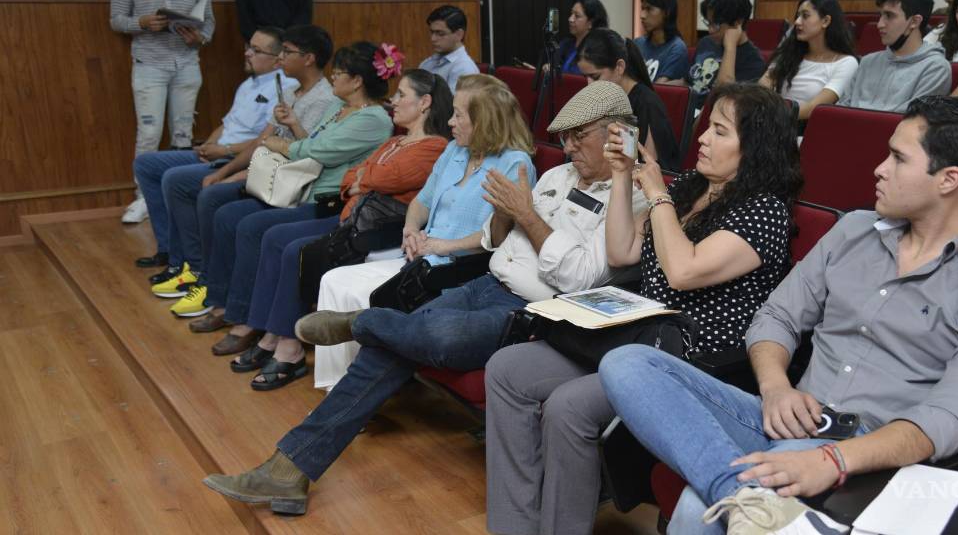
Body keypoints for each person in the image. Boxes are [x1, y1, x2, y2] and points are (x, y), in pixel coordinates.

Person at [201, 81, 648, 514]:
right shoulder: (556, 175)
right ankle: (288, 469)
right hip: (486, 283)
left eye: (578, 136)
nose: (568, 147)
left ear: (616, 135)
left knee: (436, 338)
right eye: (564, 137)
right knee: (387, 349)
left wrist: (526, 214)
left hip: (536, 313)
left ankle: (362, 322)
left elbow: (579, 276)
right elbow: (496, 242)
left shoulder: (633, 199)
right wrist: (503, 214)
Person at [600, 95, 958, 535]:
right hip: (790, 414)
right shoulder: (853, 231)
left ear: (949, 180)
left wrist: (832, 459)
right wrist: (775, 388)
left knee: (696, 508)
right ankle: (746, 499)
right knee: (627, 363)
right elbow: (777, 317)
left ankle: (739, 498)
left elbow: (947, 418)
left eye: (899, 158)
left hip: (872, 450)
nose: (879, 168)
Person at [485, 82, 802, 535]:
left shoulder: (763, 212)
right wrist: (621, 175)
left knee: (567, 406)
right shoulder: (691, 187)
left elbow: (682, 271)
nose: (702, 139)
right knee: (506, 369)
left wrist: (656, 193)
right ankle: (514, 526)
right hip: (635, 330)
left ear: (754, 147)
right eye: (707, 127)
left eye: (719, 131)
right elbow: (622, 251)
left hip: (690, 356)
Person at [225, 70, 454, 390]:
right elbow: (351, 178)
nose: (394, 101)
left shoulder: (435, 147)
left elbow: (386, 178)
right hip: (351, 220)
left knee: (295, 250)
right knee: (275, 237)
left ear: (425, 102)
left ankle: (287, 346)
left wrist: (366, 179)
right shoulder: (394, 141)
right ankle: (270, 333)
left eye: (402, 95)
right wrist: (363, 180)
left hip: (378, 230)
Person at [309, 74, 536, 387]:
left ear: (484, 121)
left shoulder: (515, 164)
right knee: (334, 280)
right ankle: (333, 385)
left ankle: (351, 386)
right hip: (421, 258)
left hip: (459, 269)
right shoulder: (456, 150)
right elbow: (422, 201)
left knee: (363, 296)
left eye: (459, 115)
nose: (450, 121)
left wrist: (443, 246)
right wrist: (411, 229)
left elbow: (501, 237)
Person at [185, 42, 396, 353]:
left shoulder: (374, 119)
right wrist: (294, 125)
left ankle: (248, 319)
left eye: (338, 73)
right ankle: (225, 302)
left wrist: (275, 143)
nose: (332, 77)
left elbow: (317, 151)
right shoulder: (338, 107)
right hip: (303, 188)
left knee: (253, 226)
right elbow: (312, 143)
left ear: (356, 81)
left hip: (329, 202)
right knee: (228, 215)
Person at [154, 25, 339, 313]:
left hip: (289, 183)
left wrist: (237, 175)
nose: (281, 58)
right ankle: (206, 279)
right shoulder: (290, 92)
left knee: (213, 199)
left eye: (287, 52)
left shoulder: (325, 99)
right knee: (205, 189)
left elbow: (305, 155)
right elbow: (262, 142)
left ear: (309, 58)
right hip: (267, 172)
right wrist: (223, 172)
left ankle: (210, 284)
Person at [133, 27, 294, 277]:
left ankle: (190, 264)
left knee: (174, 178)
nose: (247, 53)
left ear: (277, 59)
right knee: (146, 164)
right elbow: (226, 124)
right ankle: (167, 248)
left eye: (256, 50)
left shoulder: (284, 87)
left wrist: (223, 150)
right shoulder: (248, 84)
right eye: (248, 47)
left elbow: (266, 139)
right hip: (218, 151)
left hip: (238, 158)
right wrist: (207, 147)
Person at [112, 0, 215, 224]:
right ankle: (144, 197)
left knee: (183, 134)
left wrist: (198, 37)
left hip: (186, 61)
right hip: (149, 63)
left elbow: (209, 22)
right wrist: (142, 22)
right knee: (149, 133)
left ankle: (179, 194)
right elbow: (117, 19)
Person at [576, 28, 681, 169]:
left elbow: (651, 169)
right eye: (585, 77)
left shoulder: (648, 105)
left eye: (595, 77)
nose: (589, 85)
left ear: (619, 67)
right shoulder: (600, 100)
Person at [839, 0, 951, 112]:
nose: (880, 24)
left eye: (889, 16)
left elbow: (913, 120)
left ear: (914, 21)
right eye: (881, 15)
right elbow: (840, 109)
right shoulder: (867, 62)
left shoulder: (935, 68)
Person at [758, 0, 857, 120]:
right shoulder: (789, 52)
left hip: (805, 126)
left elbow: (813, 109)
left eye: (805, 16)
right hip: (773, 121)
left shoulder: (846, 63)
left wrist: (773, 115)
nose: (797, 22)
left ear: (825, 21)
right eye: (798, 16)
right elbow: (762, 88)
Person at [689, 0, 767, 97]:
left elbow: (724, 95)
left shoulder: (754, 62)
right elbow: (688, 82)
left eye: (715, 25)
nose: (710, 30)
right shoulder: (706, 43)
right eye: (708, 23)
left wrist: (730, 48)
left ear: (738, 22)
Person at [635, 0, 690, 83]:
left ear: (666, 12)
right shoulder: (637, 43)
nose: (642, 15)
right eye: (642, 9)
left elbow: (660, 87)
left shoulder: (676, 48)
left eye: (649, 9)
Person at [418, 5, 480, 92]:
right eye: (432, 32)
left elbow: (453, 102)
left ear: (459, 35)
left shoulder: (464, 69)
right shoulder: (427, 63)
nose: (433, 39)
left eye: (440, 34)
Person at [555, 0, 609, 75]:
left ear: (591, 23)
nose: (570, 19)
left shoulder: (598, 51)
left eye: (577, 16)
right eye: (571, 14)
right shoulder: (565, 44)